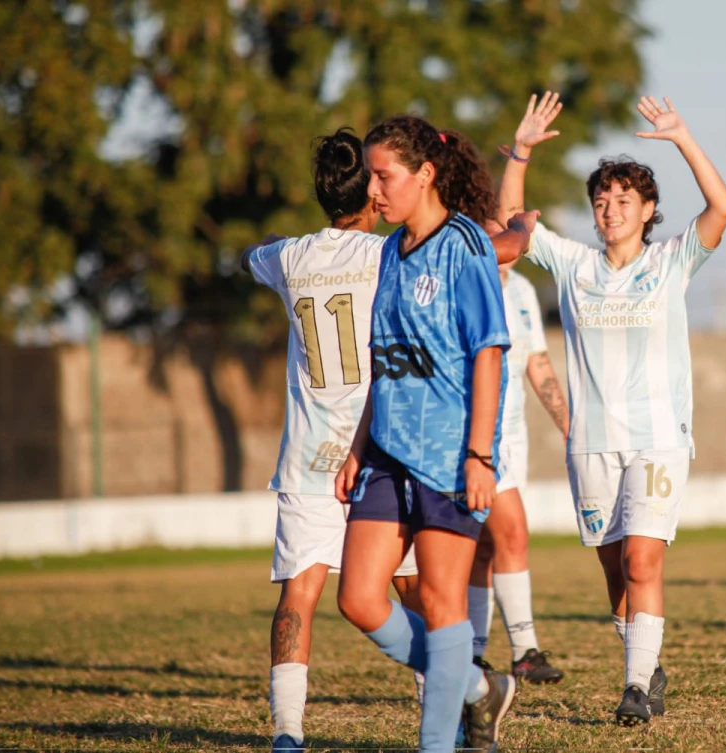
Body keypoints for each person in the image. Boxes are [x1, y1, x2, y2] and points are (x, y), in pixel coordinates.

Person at [496, 91, 726, 725]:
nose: (610, 210)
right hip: (590, 443)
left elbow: (722, 207)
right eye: (601, 201)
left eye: (624, 200)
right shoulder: (573, 265)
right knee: (615, 574)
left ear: (648, 209)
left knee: (641, 559)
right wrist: (520, 152)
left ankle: (633, 690)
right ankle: (646, 664)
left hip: (658, 438)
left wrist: (683, 138)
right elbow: (509, 224)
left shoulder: (670, 262)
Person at [334, 115, 529, 753]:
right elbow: (384, 359)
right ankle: (475, 687)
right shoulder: (390, 250)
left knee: (444, 604)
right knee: (361, 598)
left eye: (384, 177)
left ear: (425, 175)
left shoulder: (465, 244)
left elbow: (489, 353)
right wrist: (358, 448)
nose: (373, 191)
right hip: (387, 452)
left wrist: (480, 455)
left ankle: (438, 743)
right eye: (369, 178)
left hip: (449, 452)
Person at [241, 128, 391, 753]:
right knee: (409, 586)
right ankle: (449, 702)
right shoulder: (392, 254)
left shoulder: (290, 258)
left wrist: (291, 240)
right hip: (380, 446)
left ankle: (287, 732)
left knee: (299, 592)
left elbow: (253, 253)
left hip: (308, 453)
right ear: (374, 193)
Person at [467, 253, 569, 683]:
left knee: (486, 547)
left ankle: (471, 653)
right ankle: (524, 650)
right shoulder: (467, 282)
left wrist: (568, 425)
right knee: (511, 533)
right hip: (476, 436)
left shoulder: (523, 289)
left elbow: (538, 363)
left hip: (513, 438)